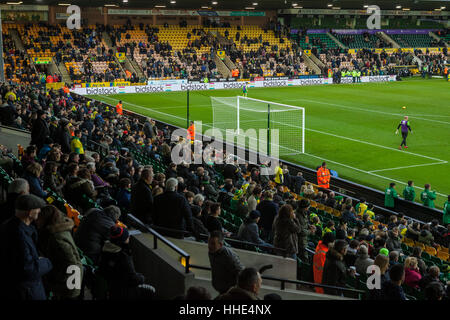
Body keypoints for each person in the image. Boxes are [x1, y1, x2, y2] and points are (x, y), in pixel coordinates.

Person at [0, 194, 53, 300]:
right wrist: (47, 262)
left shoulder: (8, 224)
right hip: (25, 291)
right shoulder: (19, 235)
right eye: (37, 209)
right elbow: (29, 269)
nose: (39, 211)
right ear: (30, 212)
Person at [35, 205, 83, 300]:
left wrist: (60, 283)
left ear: (46, 220)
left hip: (69, 285)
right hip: (67, 281)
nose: (36, 220)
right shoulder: (57, 231)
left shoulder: (57, 239)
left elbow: (72, 264)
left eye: (39, 218)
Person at [98, 226, 155, 300]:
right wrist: (141, 278)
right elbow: (133, 278)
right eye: (127, 237)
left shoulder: (105, 250)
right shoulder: (123, 257)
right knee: (150, 291)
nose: (129, 237)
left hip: (111, 289)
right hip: (124, 291)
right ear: (122, 240)